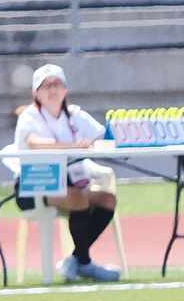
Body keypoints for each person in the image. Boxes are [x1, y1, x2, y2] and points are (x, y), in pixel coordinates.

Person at [12, 62, 122, 282]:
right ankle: (84, 263)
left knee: (107, 199)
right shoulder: (30, 117)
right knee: (78, 200)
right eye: (46, 86)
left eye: (57, 85)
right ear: (36, 92)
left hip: (72, 181)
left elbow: (104, 136)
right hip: (35, 183)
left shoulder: (75, 114)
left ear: (65, 90)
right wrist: (73, 146)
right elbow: (35, 144)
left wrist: (108, 139)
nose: (53, 90)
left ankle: (77, 260)